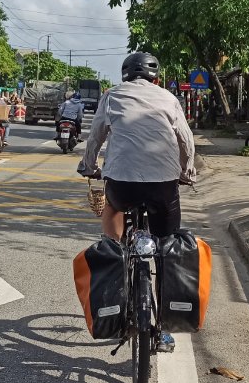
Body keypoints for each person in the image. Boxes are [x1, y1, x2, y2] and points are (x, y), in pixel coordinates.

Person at [78, 52, 196, 353]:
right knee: (166, 246)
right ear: (155, 77)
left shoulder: (111, 96)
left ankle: (114, 251)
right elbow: (186, 139)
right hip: (163, 187)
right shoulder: (169, 98)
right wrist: (186, 171)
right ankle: (164, 329)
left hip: (122, 184)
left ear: (125, 75)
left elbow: (96, 137)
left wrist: (89, 166)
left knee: (113, 208)